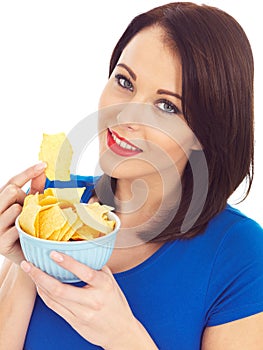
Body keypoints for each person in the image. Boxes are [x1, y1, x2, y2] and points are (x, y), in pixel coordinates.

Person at [1, 2, 263, 349]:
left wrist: (122, 335)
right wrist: (32, 260)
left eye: (167, 105)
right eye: (124, 81)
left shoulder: (239, 253)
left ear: (206, 134)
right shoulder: (52, 207)